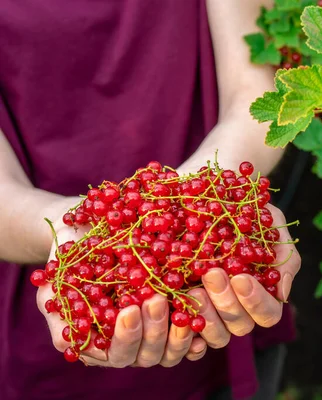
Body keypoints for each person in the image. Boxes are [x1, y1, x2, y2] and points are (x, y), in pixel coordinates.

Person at [0, 1, 301, 399]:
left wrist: (217, 185)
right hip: (57, 304)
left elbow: (255, 91)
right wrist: (66, 230)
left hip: (220, 284)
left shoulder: (213, 221)